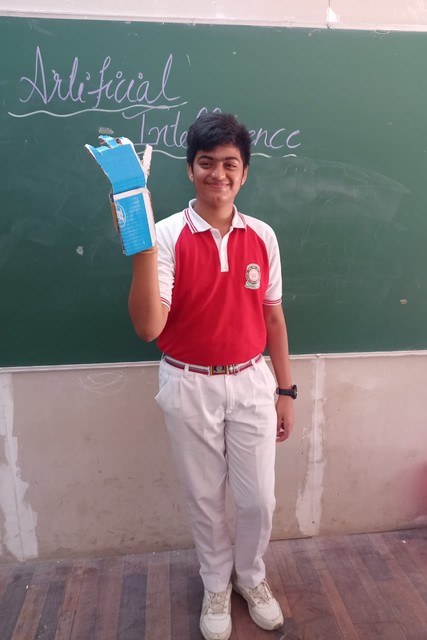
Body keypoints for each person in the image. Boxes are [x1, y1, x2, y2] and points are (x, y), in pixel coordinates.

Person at [128, 112, 296, 640]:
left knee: (258, 500)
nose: (217, 174)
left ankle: (251, 577)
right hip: (189, 383)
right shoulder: (166, 235)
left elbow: (274, 317)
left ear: (244, 172)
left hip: (251, 381)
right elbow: (149, 327)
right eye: (206, 163)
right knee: (204, 499)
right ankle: (216, 584)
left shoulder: (262, 235)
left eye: (229, 164)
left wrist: (285, 390)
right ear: (189, 169)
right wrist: (139, 246)